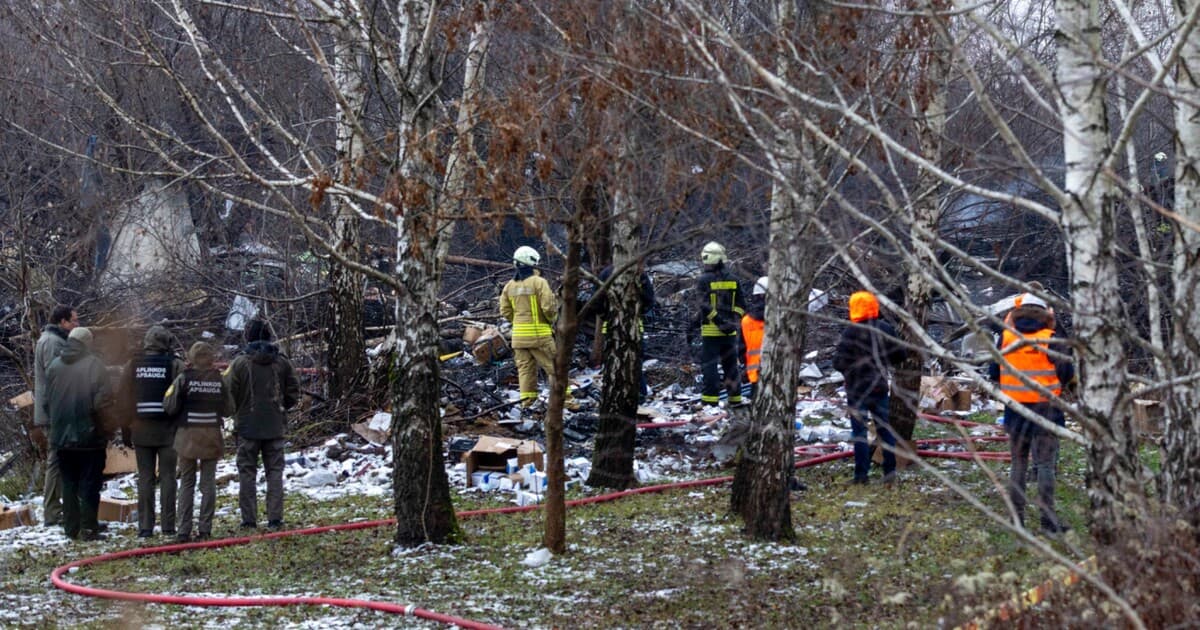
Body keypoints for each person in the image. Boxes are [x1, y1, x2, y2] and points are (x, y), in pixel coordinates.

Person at [989, 293, 1074, 534]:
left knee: (1018, 464)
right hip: (1046, 411)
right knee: (1045, 465)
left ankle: (1018, 521)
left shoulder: (1006, 338)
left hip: (1015, 412)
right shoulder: (1051, 339)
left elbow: (994, 372)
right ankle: (1047, 522)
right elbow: (1067, 373)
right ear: (1046, 313)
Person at [224, 319, 299, 530]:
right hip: (275, 427)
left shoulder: (239, 363)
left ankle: (249, 520)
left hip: (247, 427)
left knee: (247, 473)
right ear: (269, 336)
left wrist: (237, 413)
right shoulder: (282, 362)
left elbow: (229, 394)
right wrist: (281, 407)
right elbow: (293, 391)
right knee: (274, 472)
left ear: (247, 337)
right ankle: (275, 519)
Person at [44, 327, 112, 541]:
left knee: (69, 483)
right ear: (87, 343)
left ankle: (71, 528)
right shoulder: (95, 365)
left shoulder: (54, 366)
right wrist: (106, 429)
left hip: (61, 438)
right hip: (89, 437)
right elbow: (104, 403)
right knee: (90, 484)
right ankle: (89, 528)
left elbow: (46, 403)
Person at [833, 290, 906, 485]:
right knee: (885, 432)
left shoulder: (850, 332)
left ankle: (861, 476)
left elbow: (838, 363)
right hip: (879, 387)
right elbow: (901, 354)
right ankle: (889, 473)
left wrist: (850, 370)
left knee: (860, 434)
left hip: (856, 390)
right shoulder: (885, 329)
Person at [120, 325, 185, 539]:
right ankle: (168, 526)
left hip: (140, 430)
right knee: (168, 478)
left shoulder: (132, 365)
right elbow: (183, 396)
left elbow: (124, 399)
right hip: (168, 431)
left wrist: (125, 430)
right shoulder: (175, 364)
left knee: (145, 478)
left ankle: (145, 527)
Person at [164, 341, 234, 542]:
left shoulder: (183, 378)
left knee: (187, 482)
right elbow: (229, 409)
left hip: (187, 437)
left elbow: (168, 405)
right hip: (211, 436)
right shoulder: (219, 381)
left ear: (191, 357)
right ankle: (205, 529)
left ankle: (183, 530)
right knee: (208, 483)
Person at [499, 246, 570, 413]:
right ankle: (568, 402)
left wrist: (518, 323)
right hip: (540, 335)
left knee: (525, 371)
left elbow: (505, 311)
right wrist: (551, 321)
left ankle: (528, 403)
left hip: (518, 338)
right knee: (555, 368)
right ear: (533, 263)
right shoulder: (539, 282)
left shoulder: (509, 286)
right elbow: (548, 307)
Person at [33, 305, 77, 527]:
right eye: (73, 321)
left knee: (59, 460)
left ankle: (56, 509)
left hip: (53, 411)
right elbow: (56, 378)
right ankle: (52, 512)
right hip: (55, 413)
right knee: (56, 461)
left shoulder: (50, 339)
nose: (76, 325)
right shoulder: (52, 342)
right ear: (63, 322)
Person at [690, 242, 746, 408]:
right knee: (731, 366)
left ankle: (709, 400)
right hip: (730, 332)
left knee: (710, 366)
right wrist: (733, 322)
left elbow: (705, 307)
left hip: (711, 331)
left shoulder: (703, 280)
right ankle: (735, 399)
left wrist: (719, 322)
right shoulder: (734, 280)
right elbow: (741, 305)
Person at [595, 264, 656, 400]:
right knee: (635, 365)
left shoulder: (605, 274)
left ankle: (614, 398)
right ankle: (640, 396)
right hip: (634, 328)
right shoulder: (639, 273)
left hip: (611, 329)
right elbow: (650, 300)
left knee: (612, 366)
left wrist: (606, 315)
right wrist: (638, 312)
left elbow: (596, 302)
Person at [741, 276, 768, 400]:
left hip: (754, 374)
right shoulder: (780, 319)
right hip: (777, 374)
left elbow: (741, 348)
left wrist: (744, 368)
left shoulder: (746, 320)